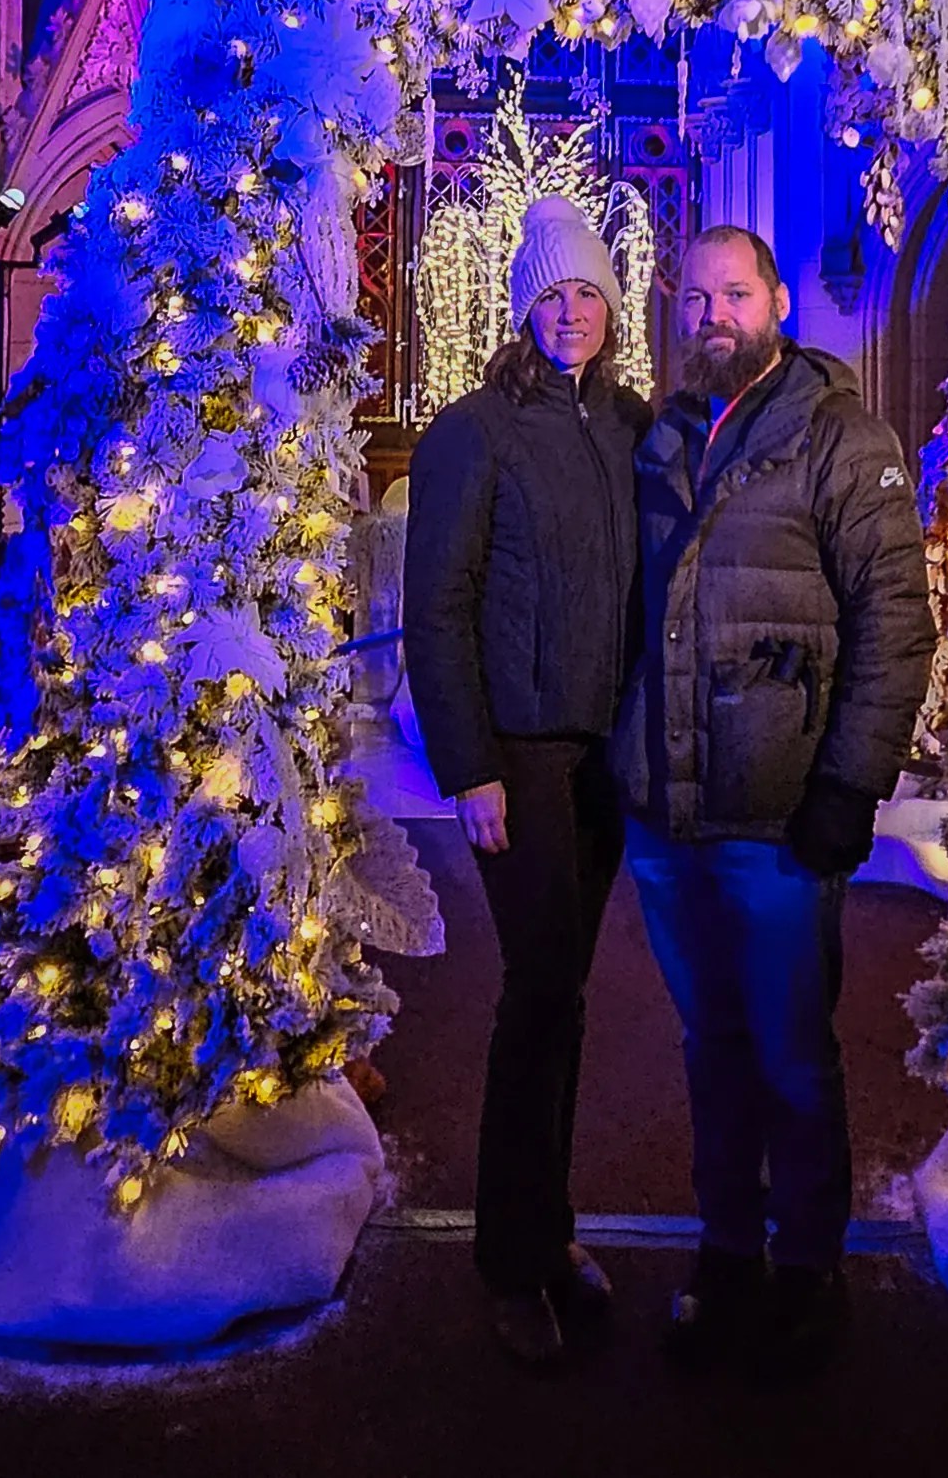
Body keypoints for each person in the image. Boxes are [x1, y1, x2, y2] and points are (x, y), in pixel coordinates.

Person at [610, 225, 935, 1380]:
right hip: (668, 816)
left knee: (792, 1054)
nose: (712, 314)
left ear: (777, 301)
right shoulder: (659, 440)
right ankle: (725, 1250)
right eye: (694, 296)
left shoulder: (841, 439)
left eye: (732, 293)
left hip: (778, 814)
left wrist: (848, 783)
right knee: (711, 1046)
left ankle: (806, 1264)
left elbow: (896, 621)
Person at [404, 196, 651, 1366]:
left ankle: (546, 1234)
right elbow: (436, 609)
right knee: (538, 987)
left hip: (604, 755)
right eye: (549, 294)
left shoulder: (631, 426)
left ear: (614, 304)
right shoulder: (473, 431)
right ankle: (510, 1260)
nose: (569, 313)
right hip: (521, 756)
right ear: (521, 306)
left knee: (566, 994)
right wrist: (469, 767)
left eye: (586, 292)